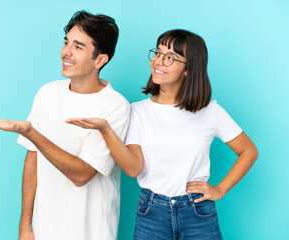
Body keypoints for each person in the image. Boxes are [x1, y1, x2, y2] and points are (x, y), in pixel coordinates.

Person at [66, 29, 259, 240]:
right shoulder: (137, 111)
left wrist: (220, 190)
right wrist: (105, 129)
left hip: (197, 212)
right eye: (157, 53)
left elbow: (248, 151)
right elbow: (133, 169)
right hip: (151, 213)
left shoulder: (209, 111)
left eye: (170, 58)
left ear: (188, 69)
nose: (158, 61)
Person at [0, 11, 130, 240]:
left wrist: (31, 133)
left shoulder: (115, 106)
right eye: (66, 42)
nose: (66, 52)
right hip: (44, 229)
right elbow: (32, 161)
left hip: (90, 232)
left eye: (78, 46)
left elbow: (81, 174)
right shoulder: (48, 93)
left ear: (100, 60)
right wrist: (24, 226)